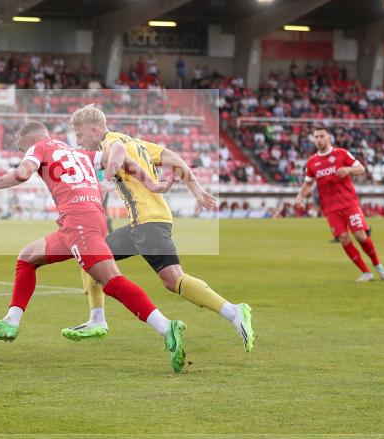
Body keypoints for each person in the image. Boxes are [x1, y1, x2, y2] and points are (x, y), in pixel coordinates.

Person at [0, 121, 189, 373]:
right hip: (83, 221)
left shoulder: (39, 147)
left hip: (79, 224)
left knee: (111, 281)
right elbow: (122, 160)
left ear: (30, 140)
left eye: (20, 146)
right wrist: (151, 183)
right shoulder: (77, 152)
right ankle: (11, 321)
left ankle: (166, 327)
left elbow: (23, 173)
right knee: (27, 257)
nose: (20, 150)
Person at [65, 104, 255, 352]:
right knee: (91, 257)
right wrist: (196, 190)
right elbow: (174, 158)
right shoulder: (139, 143)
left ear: (96, 129)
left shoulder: (110, 142)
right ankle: (97, 319)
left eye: (80, 135)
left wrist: (106, 179)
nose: (78, 141)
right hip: (147, 222)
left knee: (173, 279)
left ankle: (233, 312)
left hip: (147, 223)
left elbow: (118, 151)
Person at [295, 126, 384, 283]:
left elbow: (361, 169)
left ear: (328, 137)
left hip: (349, 203)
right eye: (316, 137)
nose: (318, 140)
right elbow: (308, 184)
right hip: (330, 208)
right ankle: (366, 272)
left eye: (321, 136)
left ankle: (378, 265)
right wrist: (300, 197)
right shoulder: (312, 163)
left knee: (360, 236)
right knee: (344, 239)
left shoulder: (341, 153)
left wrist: (348, 169)